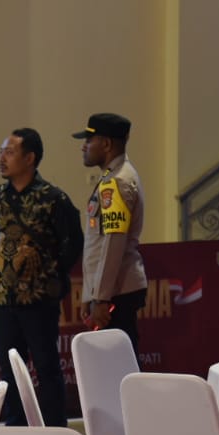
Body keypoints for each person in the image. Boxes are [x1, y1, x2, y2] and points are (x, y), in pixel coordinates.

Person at [0, 127, 82, 428]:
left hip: (39, 301)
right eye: (1, 152)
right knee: (9, 371)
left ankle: (54, 429)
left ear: (30, 158)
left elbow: (73, 243)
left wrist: (49, 276)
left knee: (47, 367)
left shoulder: (53, 199)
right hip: (1, 301)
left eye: (9, 152)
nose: (2, 158)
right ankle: (16, 428)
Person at [75, 112, 148, 353]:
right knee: (115, 362)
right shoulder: (113, 176)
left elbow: (112, 245)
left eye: (89, 140)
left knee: (119, 362)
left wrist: (101, 298)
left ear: (106, 144)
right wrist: (90, 295)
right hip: (113, 290)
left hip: (117, 292)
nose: (83, 147)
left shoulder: (117, 182)